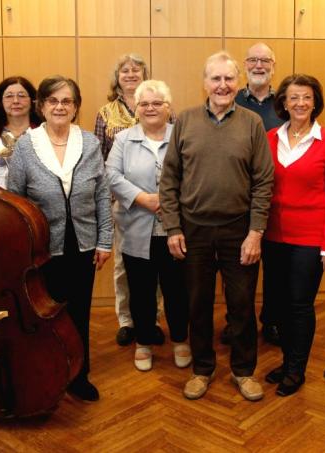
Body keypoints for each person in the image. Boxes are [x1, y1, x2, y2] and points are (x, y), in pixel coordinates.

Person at [160, 51, 274, 402]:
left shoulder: (252, 123)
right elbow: (170, 179)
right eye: (215, 79)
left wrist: (255, 232)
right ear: (205, 83)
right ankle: (202, 369)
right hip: (193, 231)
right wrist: (173, 228)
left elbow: (263, 181)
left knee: (241, 305)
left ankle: (243, 371)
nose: (222, 85)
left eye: (228, 79)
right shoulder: (186, 121)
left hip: (239, 231)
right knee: (198, 304)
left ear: (236, 82)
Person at [6, 75, 113, 402]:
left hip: (82, 243)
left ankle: (79, 376)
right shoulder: (26, 145)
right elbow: (15, 200)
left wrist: (105, 239)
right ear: (41, 106)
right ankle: (48, 375)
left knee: (78, 312)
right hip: (42, 248)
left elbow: (102, 194)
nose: (60, 106)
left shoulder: (90, 143)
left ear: (76, 107)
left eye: (67, 101)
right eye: (53, 100)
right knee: (45, 315)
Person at [261, 74, 325, 396]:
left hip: (310, 240)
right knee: (279, 305)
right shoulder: (270, 137)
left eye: (306, 98)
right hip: (273, 237)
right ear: (283, 102)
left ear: (315, 103)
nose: (300, 103)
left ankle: (296, 370)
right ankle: (286, 361)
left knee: (299, 305)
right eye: (293, 97)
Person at [106, 80, 190, 372]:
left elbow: (193, 175)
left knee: (177, 289)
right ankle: (143, 342)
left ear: (169, 107)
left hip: (175, 231)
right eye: (144, 104)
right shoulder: (123, 140)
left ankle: (180, 339)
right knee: (140, 290)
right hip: (135, 230)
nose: (150, 108)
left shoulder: (182, 136)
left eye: (157, 103)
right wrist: (142, 198)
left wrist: (168, 202)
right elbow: (111, 175)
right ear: (136, 109)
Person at [94, 53, 166, 347]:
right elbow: (99, 159)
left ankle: (153, 318)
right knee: (126, 264)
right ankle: (126, 320)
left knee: (157, 263)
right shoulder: (105, 112)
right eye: (125, 70)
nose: (131, 73)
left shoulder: (159, 105)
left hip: (159, 202)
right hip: (122, 200)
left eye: (137, 70)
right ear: (118, 76)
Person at [225, 42, 283, 347]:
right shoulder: (230, 98)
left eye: (265, 60)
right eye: (253, 60)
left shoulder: (284, 102)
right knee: (238, 267)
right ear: (244, 65)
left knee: (273, 265)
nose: (258, 65)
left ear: (274, 65)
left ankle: (272, 320)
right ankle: (236, 321)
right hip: (236, 198)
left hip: (276, 198)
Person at [0, 76, 40, 189]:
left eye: (21, 96)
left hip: (33, 205)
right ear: (1, 102)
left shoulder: (42, 134)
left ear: (32, 101)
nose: (15, 101)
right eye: (9, 96)